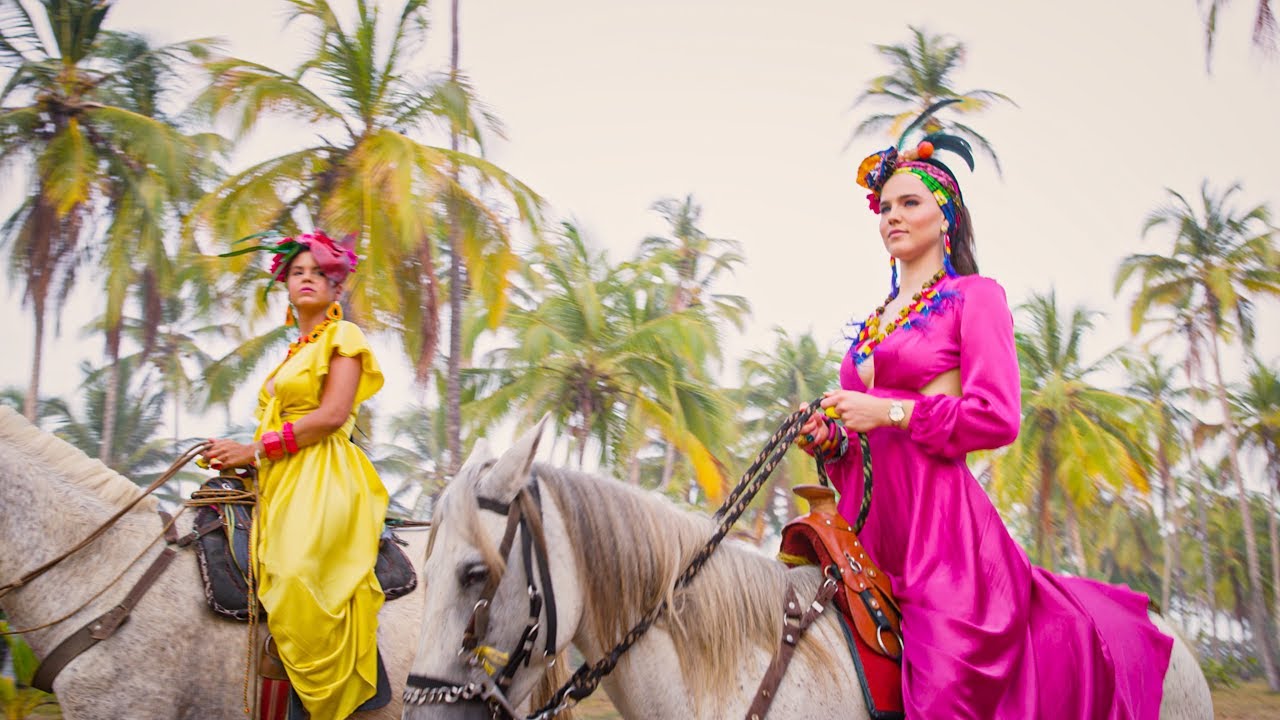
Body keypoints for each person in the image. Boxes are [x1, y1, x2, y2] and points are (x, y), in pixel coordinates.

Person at [795, 122, 1173, 718]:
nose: (891, 217)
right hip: (864, 529)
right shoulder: (874, 321)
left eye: (909, 203)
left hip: (943, 541)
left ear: (945, 217)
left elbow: (997, 418)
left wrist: (889, 411)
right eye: (884, 206)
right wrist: (833, 434)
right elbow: (865, 435)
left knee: (943, 699)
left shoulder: (977, 297)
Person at [204, 230, 389, 720]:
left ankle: (328, 701)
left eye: (318, 273)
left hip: (323, 474)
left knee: (291, 575)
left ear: (336, 289)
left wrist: (253, 448)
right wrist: (236, 459)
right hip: (279, 476)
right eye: (297, 272)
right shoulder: (293, 351)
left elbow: (331, 416)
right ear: (286, 286)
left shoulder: (344, 337)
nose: (306, 279)